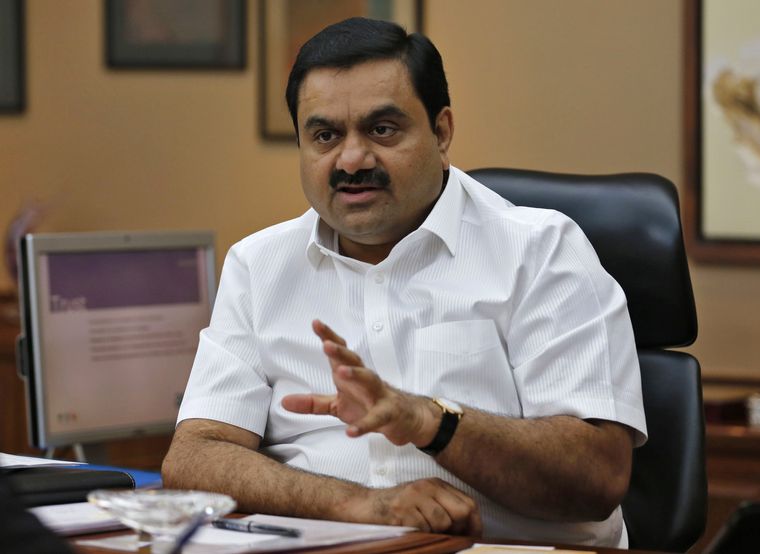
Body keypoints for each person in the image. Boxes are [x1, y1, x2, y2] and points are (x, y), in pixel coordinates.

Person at [162, 17, 647, 547]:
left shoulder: (541, 252)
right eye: (325, 135)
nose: (352, 159)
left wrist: (429, 421)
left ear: (442, 133)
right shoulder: (259, 265)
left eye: (382, 129)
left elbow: (596, 477)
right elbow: (194, 457)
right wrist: (358, 506)